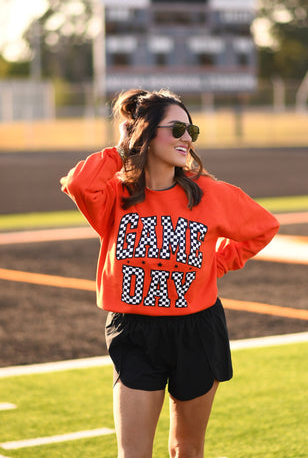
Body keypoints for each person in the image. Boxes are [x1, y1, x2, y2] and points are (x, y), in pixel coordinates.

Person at [60, 89, 279, 458]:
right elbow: (79, 184)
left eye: (191, 129)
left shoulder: (209, 194)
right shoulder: (115, 195)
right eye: (176, 129)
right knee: (132, 454)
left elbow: (264, 227)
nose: (187, 138)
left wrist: (218, 263)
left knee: (186, 450)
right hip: (134, 331)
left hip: (197, 331)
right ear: (144, 132)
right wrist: (122, 146)